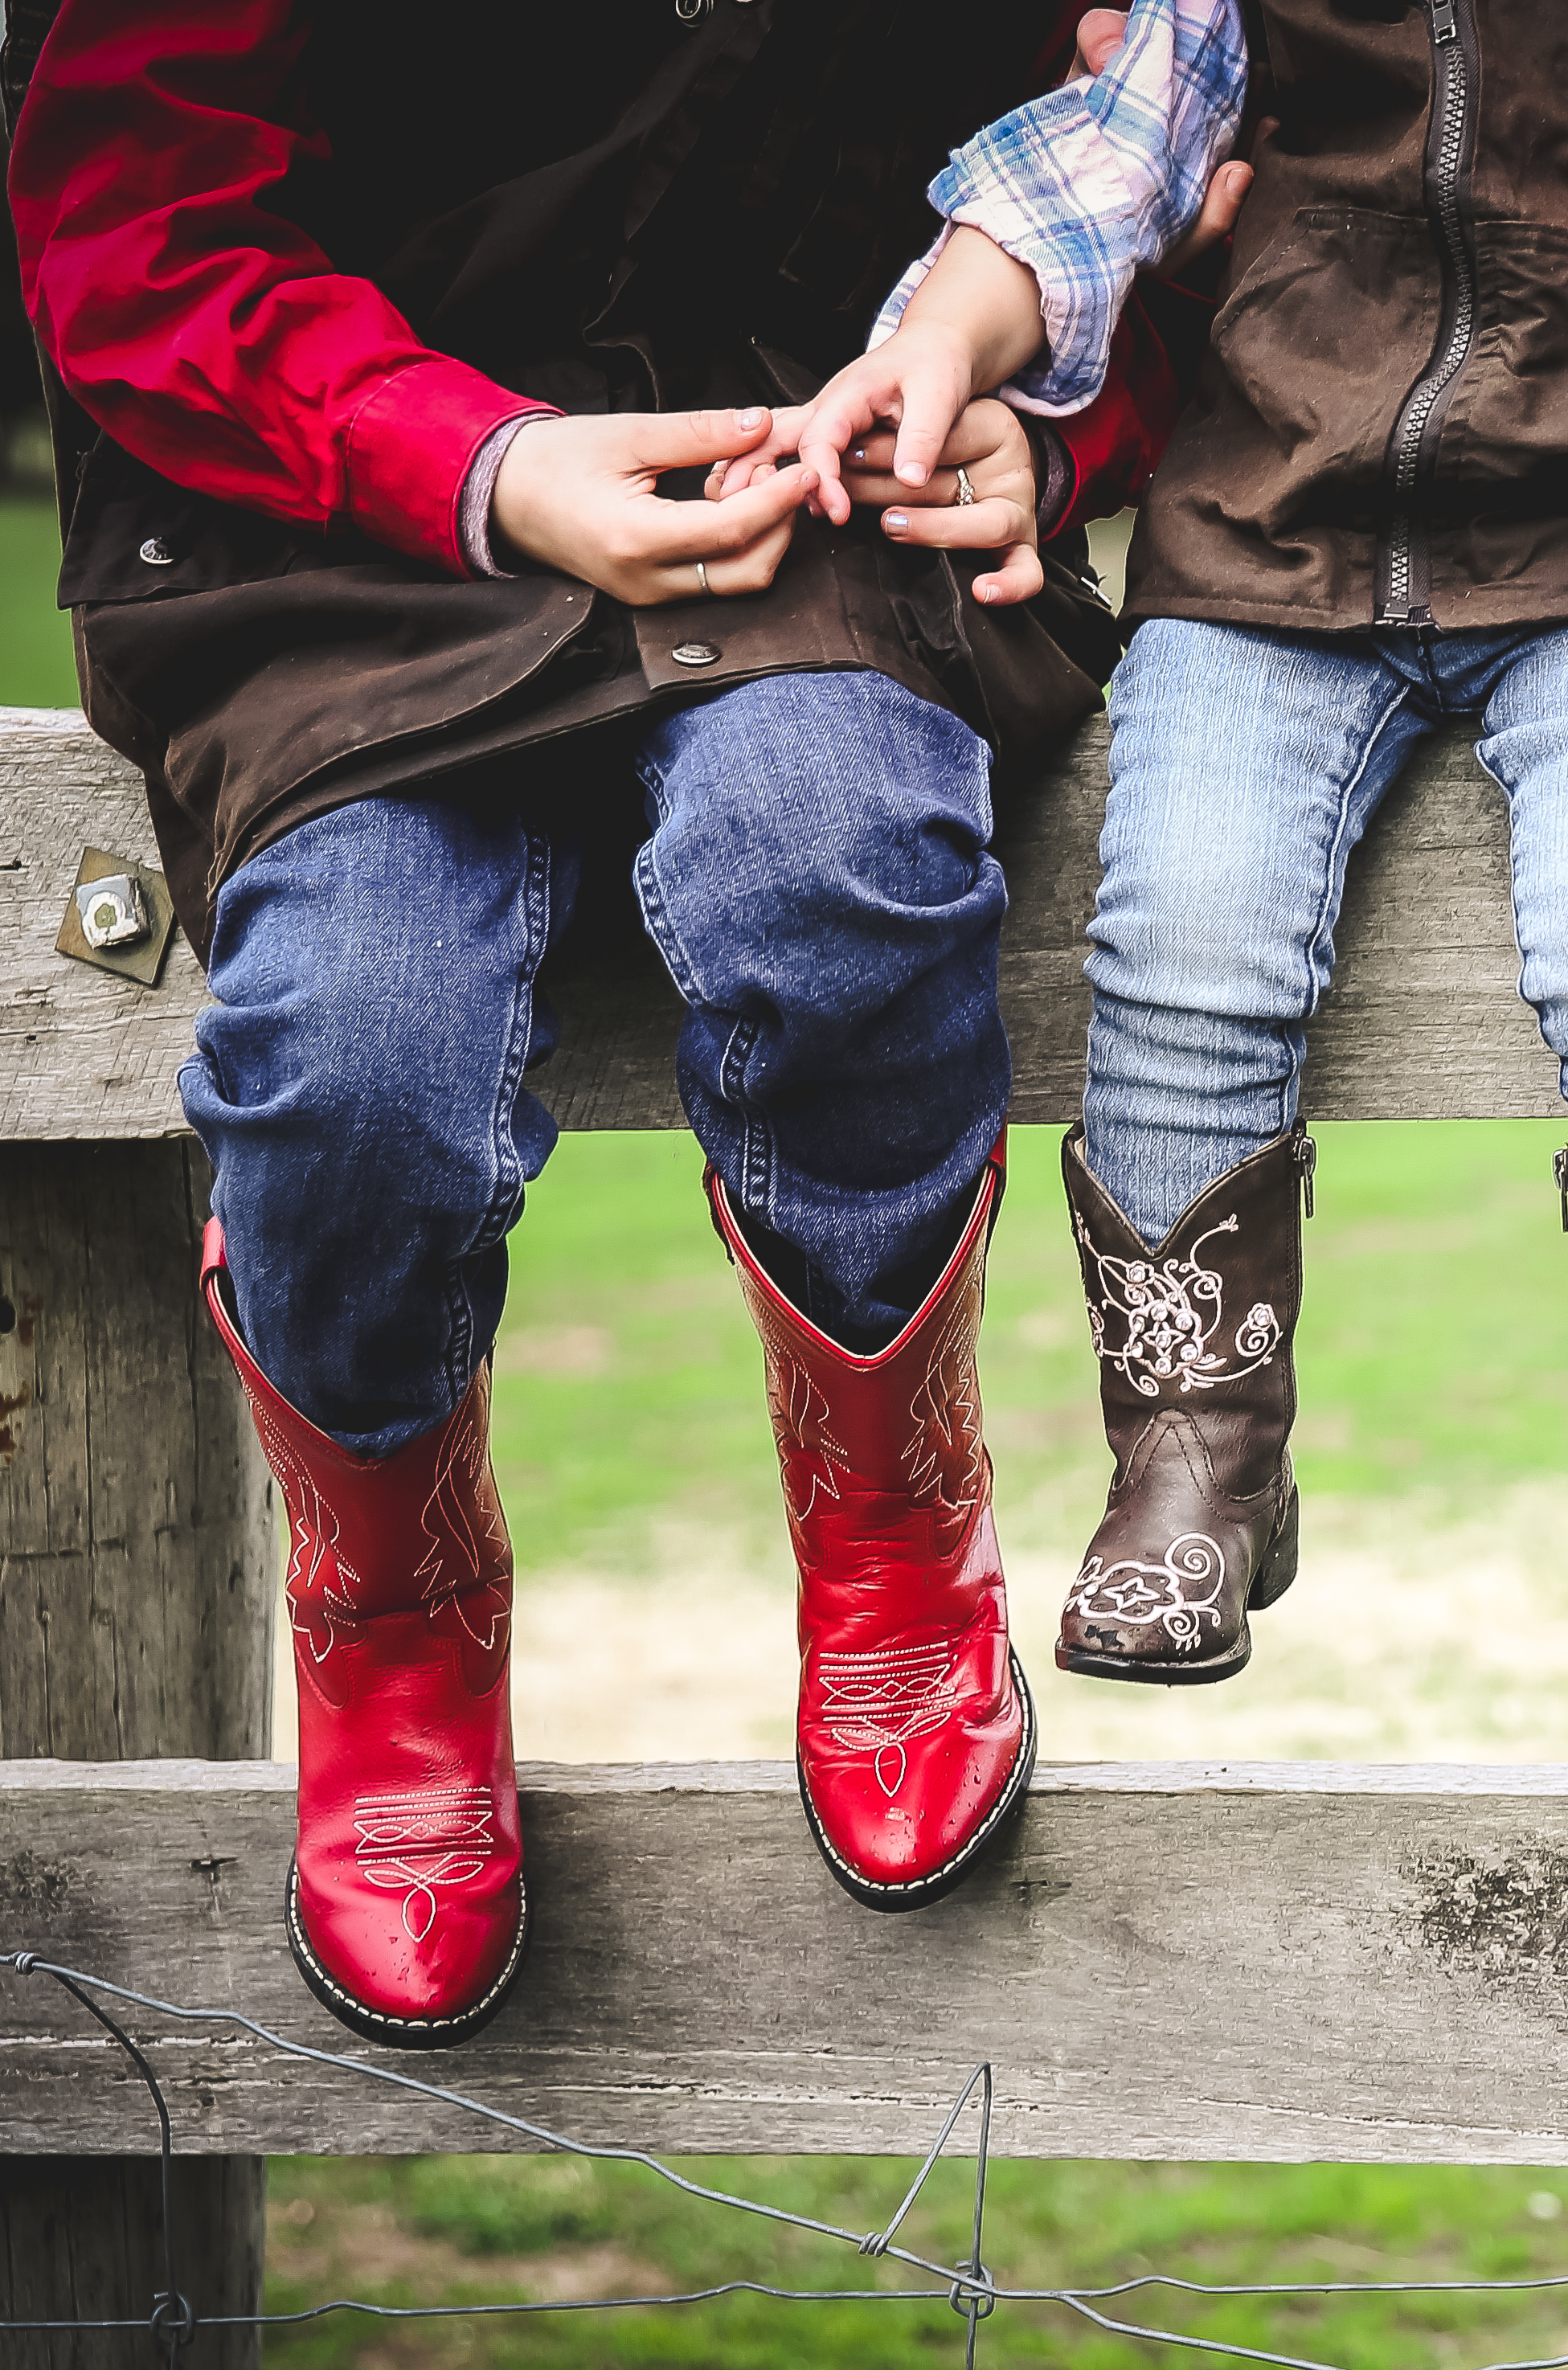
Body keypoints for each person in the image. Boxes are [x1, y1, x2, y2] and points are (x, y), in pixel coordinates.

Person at [6, 0, 1177, 2045]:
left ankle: (896, 1516)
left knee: (836, 875)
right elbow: (135, 230)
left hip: (807, 478)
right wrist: (485, 464)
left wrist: (1065, 422)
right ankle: (392, 1613)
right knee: (349, 1053)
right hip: (337, 527)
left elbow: (1180, 153)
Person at [768, 0, 1568, 1698]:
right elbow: (1110, 149)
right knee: (1182, 929)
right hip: (1280, 508)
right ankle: (1193, 1462)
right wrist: (943, 337)